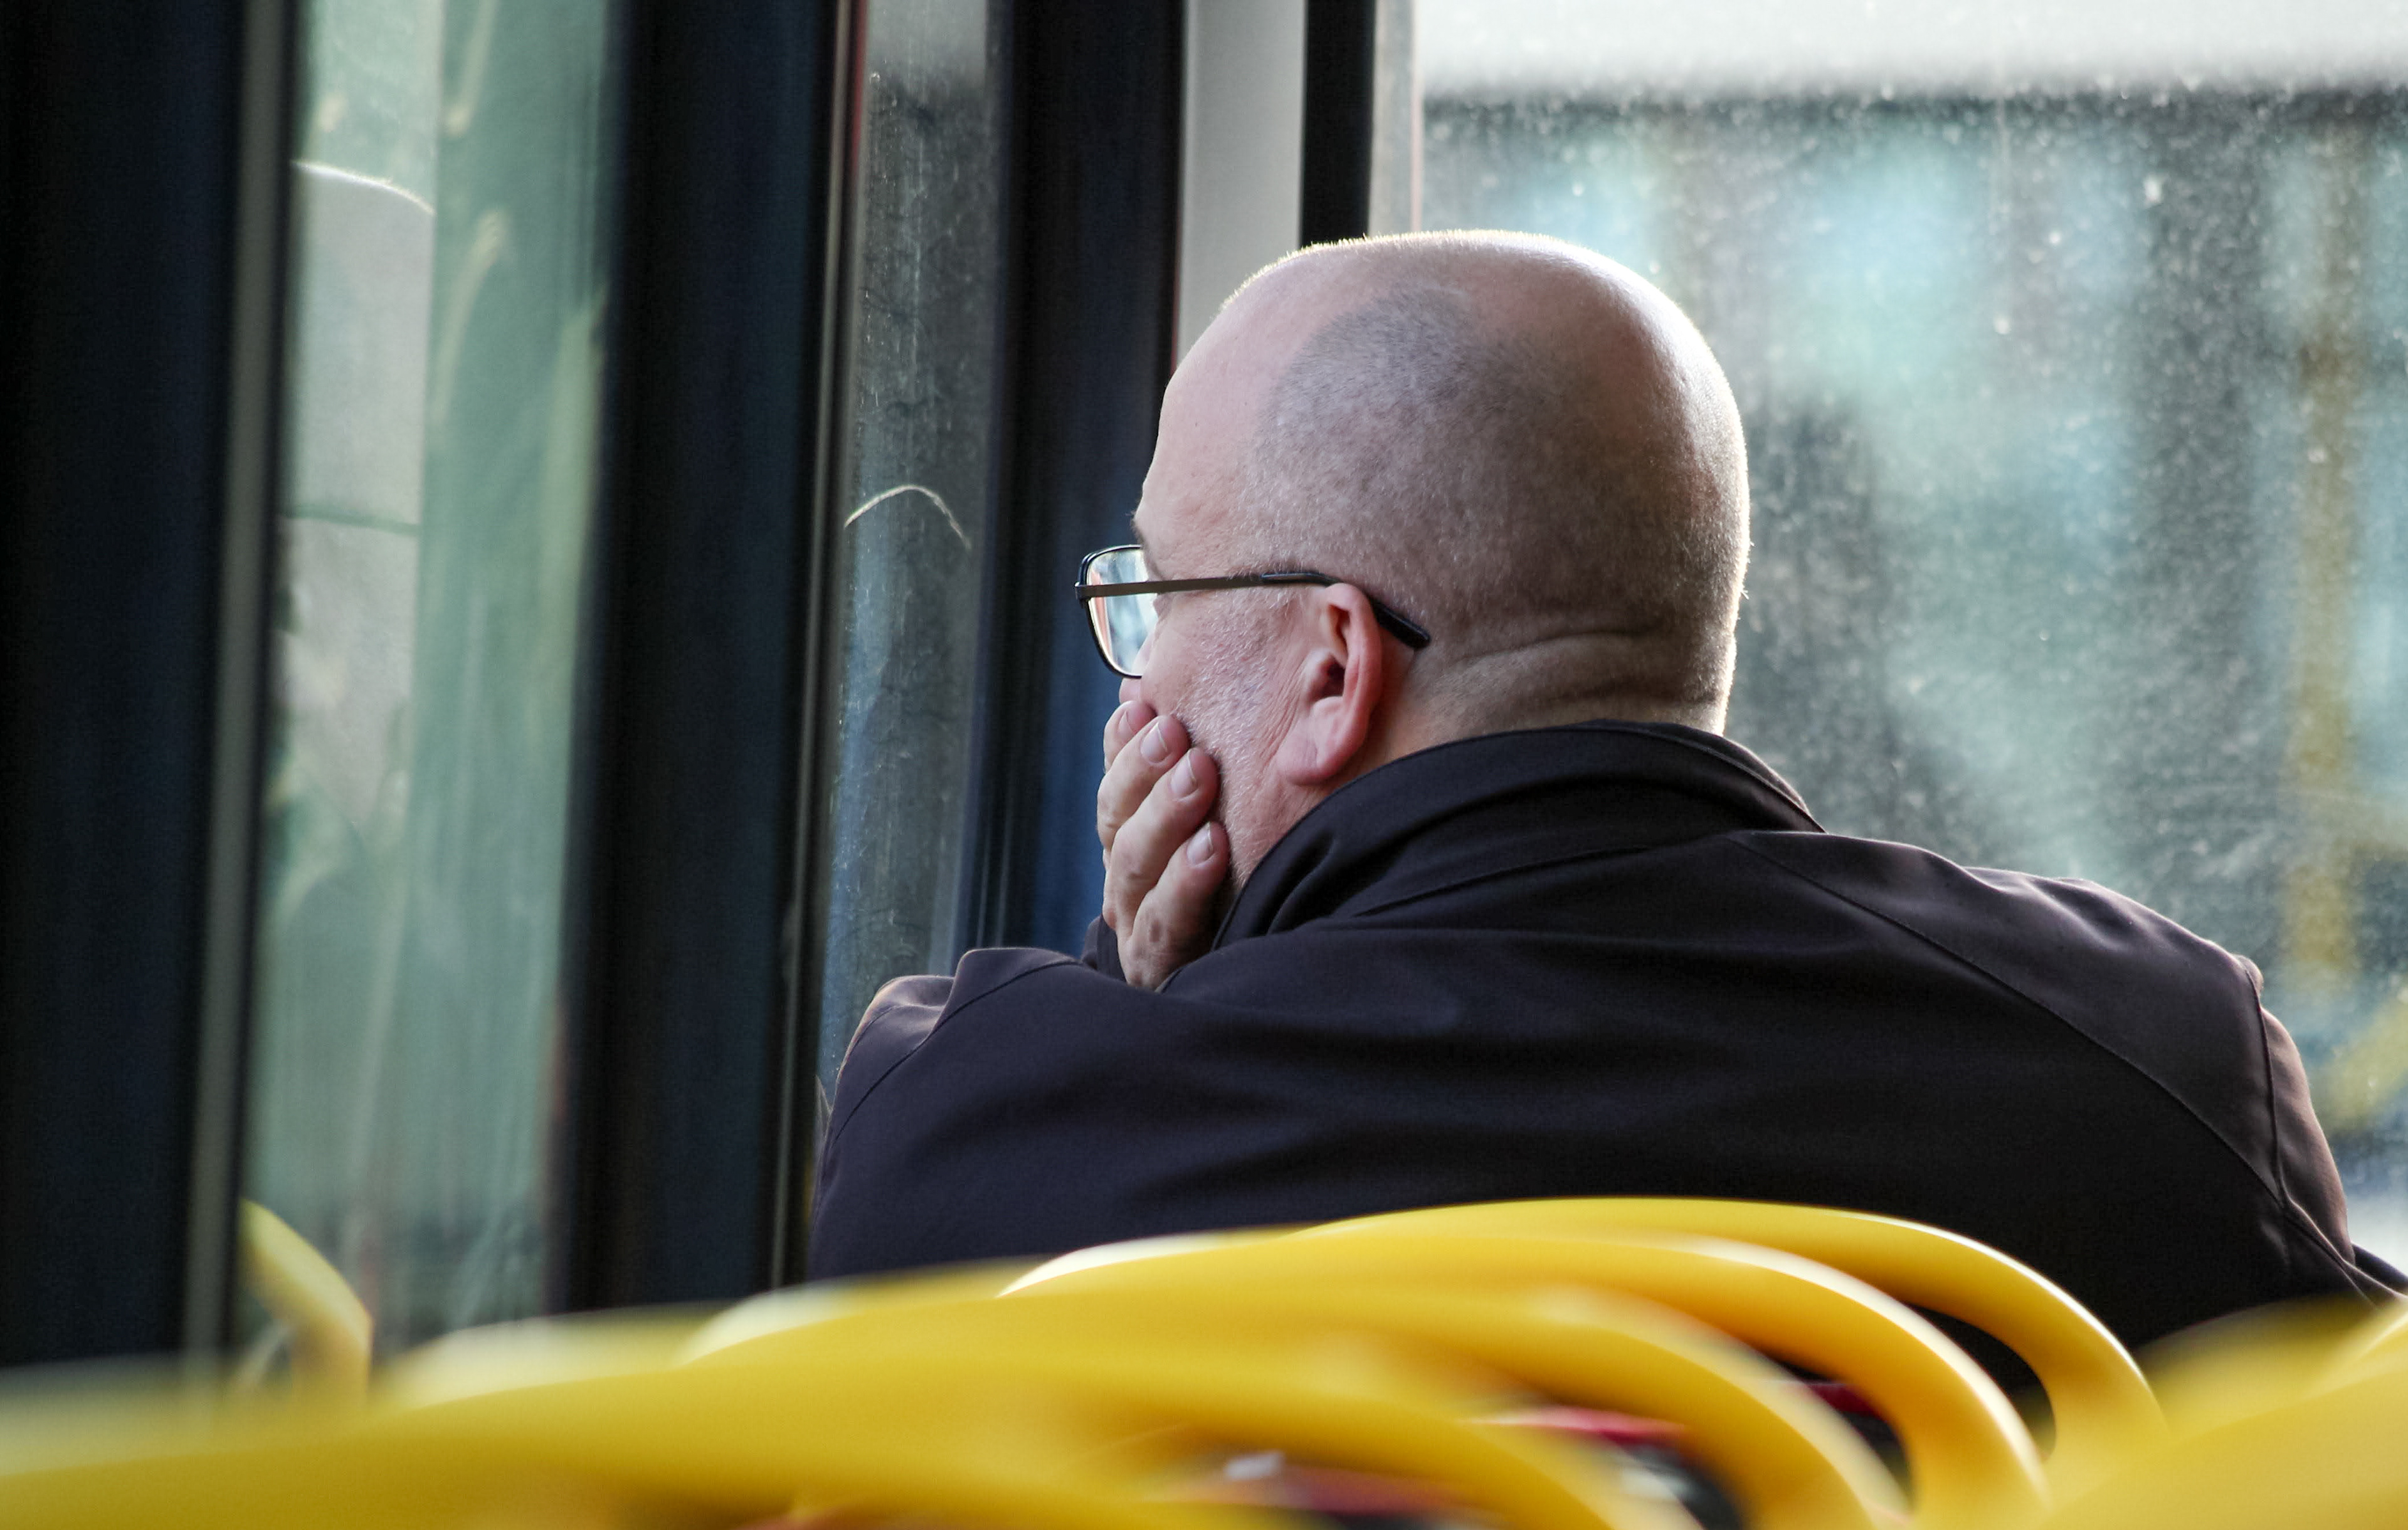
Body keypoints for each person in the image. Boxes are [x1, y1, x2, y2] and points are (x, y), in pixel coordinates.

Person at [808, 229, 2399, 1353]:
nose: (1137, 683)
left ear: (1330, 672)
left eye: (1160, 596)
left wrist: (1144, 1007)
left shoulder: (988, 1122)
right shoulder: (2155, 1061)